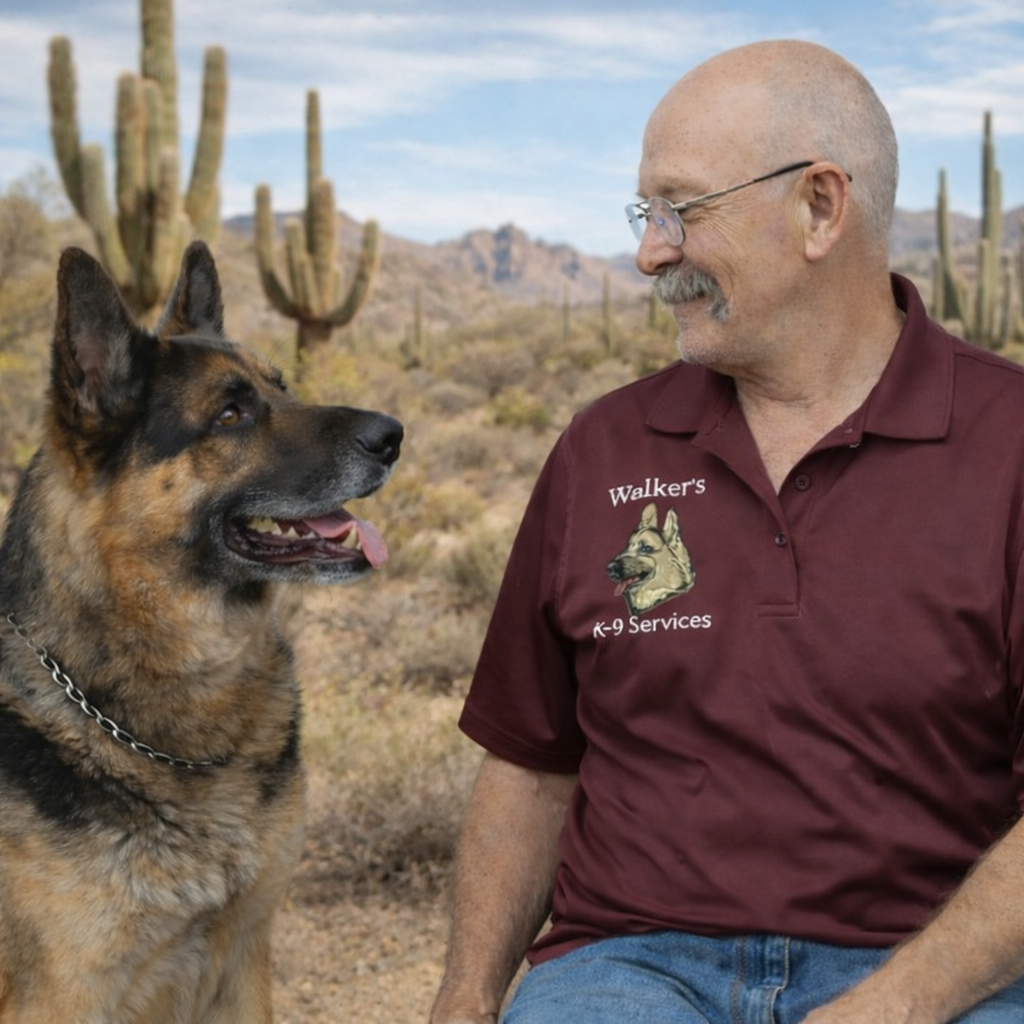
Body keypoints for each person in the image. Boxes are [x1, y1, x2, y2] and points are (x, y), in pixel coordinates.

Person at [429, 39, 1024, 1024]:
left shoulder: (1008, 442)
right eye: (644, 214)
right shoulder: (603, 447)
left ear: (820, 208)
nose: (649, 251)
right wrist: (464, 997)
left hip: (943, 967)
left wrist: (898, 1004)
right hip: (630, 968)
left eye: (679, 209)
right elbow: (532, 763)